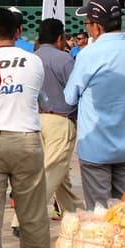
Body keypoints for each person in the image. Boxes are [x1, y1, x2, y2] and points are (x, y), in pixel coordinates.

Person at [0, 7, 54, 248]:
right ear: (17, 32)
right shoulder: (34, 61)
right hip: (27, 140)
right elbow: (40, 99)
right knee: (34, 217)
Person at [64, 0, 125, 207]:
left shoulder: (89, 54)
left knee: (98, 218)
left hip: (97, 148)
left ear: (97, 27)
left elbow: (69, 97)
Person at [35, 18, 83, 218]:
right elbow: (75, 90)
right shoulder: (65, 59)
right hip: (61, 119)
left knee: (60, 175)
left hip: (39, 119)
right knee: (53, 169)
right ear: (59, 37)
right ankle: (22, 217)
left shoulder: (33, 57)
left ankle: (76, 213)